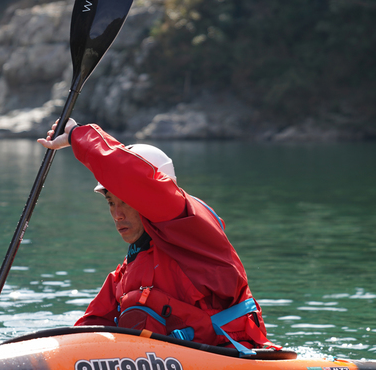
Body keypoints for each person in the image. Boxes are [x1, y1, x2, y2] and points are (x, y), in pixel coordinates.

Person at [38, 118, 272, 354]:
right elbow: (89, 329)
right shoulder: (128, 273)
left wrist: (78, 135)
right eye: (111, 202)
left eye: (126, 202)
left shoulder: (191, 225)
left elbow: (130, 176)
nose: (117, 215)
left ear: (153, 194)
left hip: (233, 356)